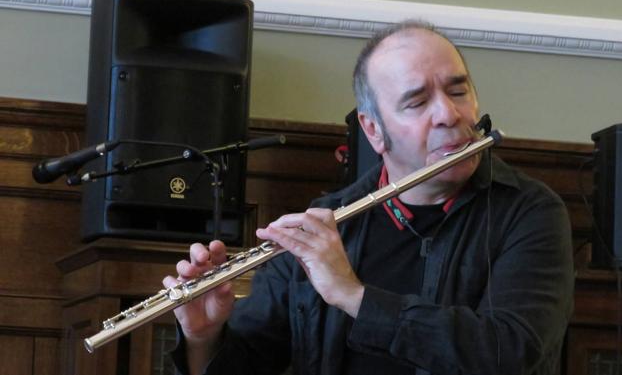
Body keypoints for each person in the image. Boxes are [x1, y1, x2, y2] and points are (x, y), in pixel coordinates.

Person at [164, 20, 574, 375]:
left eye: (458, 91)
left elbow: (511, 354)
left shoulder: (530, 212)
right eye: (417, 102)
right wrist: (203, 337)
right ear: (373, 129)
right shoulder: (324, 224)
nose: (450, 114)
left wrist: (353, 296)